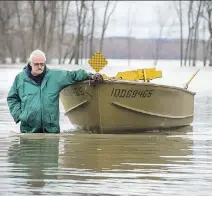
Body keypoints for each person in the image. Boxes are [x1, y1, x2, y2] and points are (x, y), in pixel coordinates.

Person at [7, 49, 103, 133]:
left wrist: (91, 75)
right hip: (28, 131)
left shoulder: (55, 76)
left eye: (42, 64)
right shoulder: (20, 78)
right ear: (30, 64)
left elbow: (73, 75)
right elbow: (12, 98)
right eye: (36, 64)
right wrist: (19, 115)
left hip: (51, 131)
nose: (39, 66)